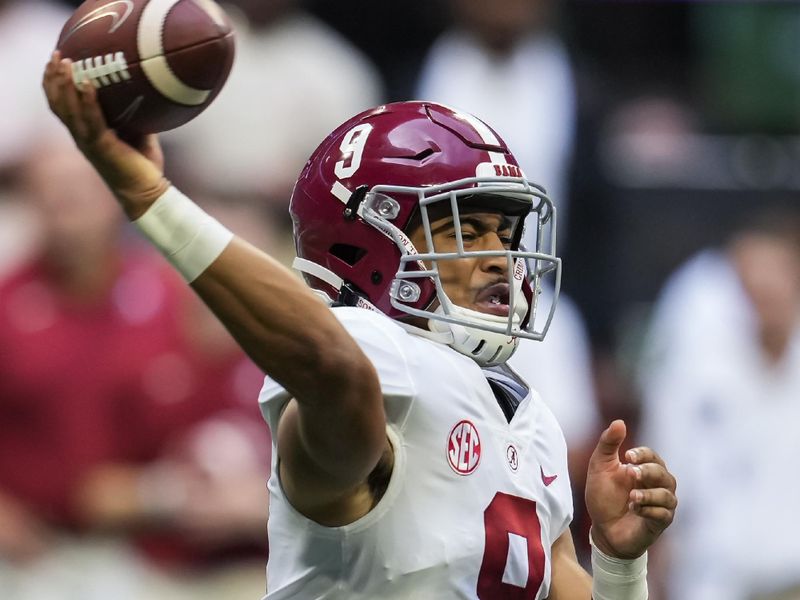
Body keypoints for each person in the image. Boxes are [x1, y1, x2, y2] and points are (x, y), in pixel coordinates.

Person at [43, 51, 677, 599]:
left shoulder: (527, 417)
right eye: (465, 229)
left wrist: (621, 561)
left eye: (506, 235)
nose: (499, 258)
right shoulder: (367, 363)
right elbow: (333, 368)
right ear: (366, 243)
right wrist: (155, 201)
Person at [0, 137, 269, 600]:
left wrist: (181, 490)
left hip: (146, 538)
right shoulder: (7, 304)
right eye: (50, 190)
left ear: (113, 197)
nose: (65, 205)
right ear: (30, 201)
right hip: (35, 540)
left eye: (79, 190)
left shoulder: (168, 292)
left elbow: (202, 406)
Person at [637, 209, 800, 600]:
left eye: (776, 277)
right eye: (752, 283)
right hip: (712, 579)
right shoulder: (695, 374)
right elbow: (662, 474)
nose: (765, 293)